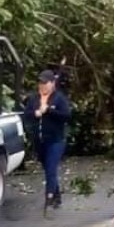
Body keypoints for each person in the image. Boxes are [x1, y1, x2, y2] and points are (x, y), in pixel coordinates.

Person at [23, 69, 72, 208]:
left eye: (45, 83)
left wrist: (49, 111)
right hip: (40, 141)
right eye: (40, 83)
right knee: (47, 169)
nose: (42, 85)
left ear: (52, 83)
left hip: (56, 140)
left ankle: (49, 197)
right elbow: (26, 114)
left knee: (51, 168)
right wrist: (36, 113)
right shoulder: (34, 98)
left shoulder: (59, 98)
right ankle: (57, 197)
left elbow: (66, 116)